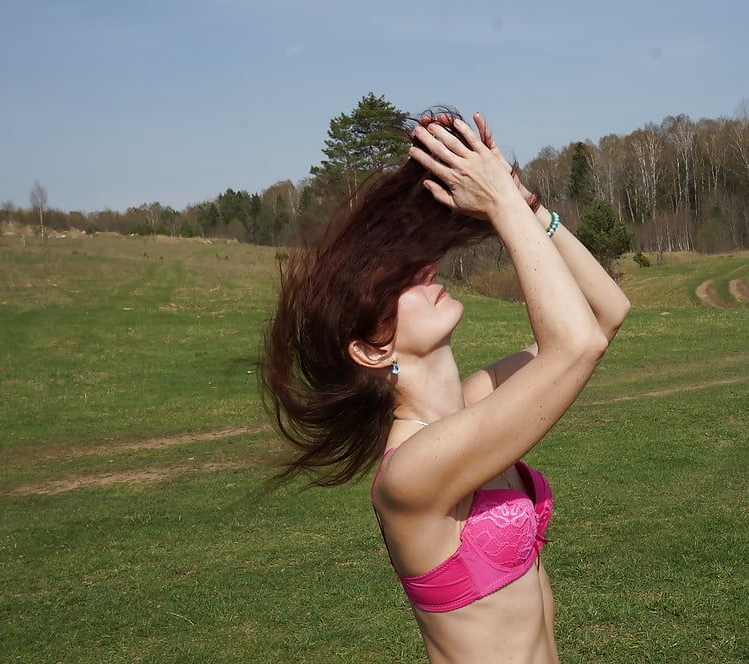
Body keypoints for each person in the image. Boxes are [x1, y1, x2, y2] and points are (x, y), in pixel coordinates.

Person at [259, 108, 630, 663]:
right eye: (400, 285)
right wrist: (501, 207)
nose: (426, 272)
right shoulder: (408, 475)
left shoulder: (475, 403)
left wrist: (525, 202)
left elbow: (605, 312)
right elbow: (575, 345)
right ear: (371, 348)